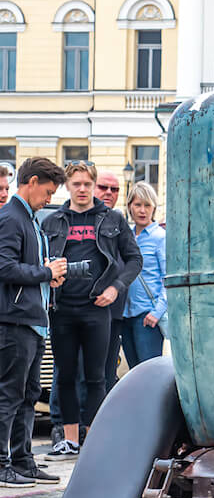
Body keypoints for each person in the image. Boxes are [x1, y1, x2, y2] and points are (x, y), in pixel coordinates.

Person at [41, 162, 142, 460]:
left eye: (87, 183)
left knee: (98, 376)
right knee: (67, 375)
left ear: (93, 185)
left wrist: (115, 289)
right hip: (62, 308)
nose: (82, 189)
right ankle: (69, 440)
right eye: (77, 184)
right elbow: (40, 261)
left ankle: (94, 439)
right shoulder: (53, 221)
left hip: (98, 308)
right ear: (68, 187)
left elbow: (134, 260)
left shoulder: (112, 219)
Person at [0, 158, 67, 485]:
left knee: (28, 395)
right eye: (48, 191)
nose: (49, 198)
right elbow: (4, 268)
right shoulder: (11, 218)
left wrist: (48, 278)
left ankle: (23, 460)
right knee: (9, 395)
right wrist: (45, 272)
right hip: (14, 322)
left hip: (33, 320)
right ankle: (2, 464)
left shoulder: (30, 220)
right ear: (32, 181)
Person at [120, 182, 167, 368]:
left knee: (149, 372)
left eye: (147, 205)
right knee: (133, 372)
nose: (142, 210)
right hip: (125, 316)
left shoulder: (160, 237)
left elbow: (168, 279)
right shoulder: (126, 237)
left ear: (153, 208)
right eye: (138, 204)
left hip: (147, 317)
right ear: (130, 206)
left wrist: (156, 313)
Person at [95, 171, 128, 393]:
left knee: (106, 371)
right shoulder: (79, 218)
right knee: (74, 371)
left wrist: (116, 287)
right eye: (103, 187)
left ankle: (96, 424)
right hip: (83, 308)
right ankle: (66, 425)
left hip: (114, 310)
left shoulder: (119, 222)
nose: (108, 193)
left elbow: (134, 260)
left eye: (114, 189)